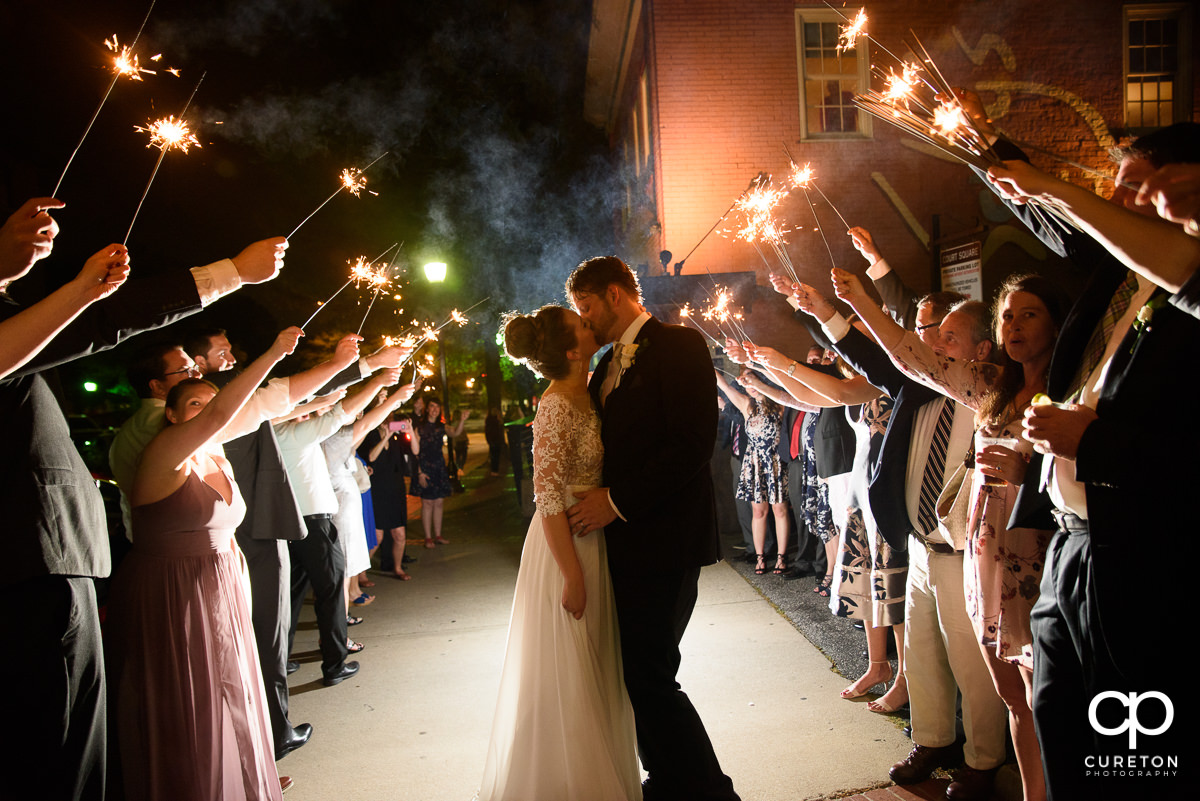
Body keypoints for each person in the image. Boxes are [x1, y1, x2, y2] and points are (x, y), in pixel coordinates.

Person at [0, 195, 286, 801]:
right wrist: (227, 274)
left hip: (52, 562)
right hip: (27, 566)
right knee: (58, 757)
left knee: (77, 751)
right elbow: (95, 326)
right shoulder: (158, 442)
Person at [835, 267, 1067, 801]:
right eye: (1008, 314)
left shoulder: (1067, 392)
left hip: (1031, 554)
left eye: (1028, 313)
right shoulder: (991, 388)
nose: (1015, 324)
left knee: (1042, 693)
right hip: (983, 556)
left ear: (1058, 322)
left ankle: (1003, 771)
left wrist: (1028, 472)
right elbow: (910, 356)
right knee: (1013, 695)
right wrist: (858, 302)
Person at [565, 256, 739, 801]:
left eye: (587, 307)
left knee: (651, 673)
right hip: (621, 546)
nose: (585, 321)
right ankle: (668, 779)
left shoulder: (680, 345)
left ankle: (710, 791)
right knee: (636, 673)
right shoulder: (605, 364)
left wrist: (615, 502)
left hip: (667, 540)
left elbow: (691, 443)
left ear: (616, 294)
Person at [107, 326, 302, 801]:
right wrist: (275, 351)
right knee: (187, 697)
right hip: (173, 588)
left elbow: (273, 408)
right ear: (170, 414)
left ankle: (241, 777)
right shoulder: (165, 452)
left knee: (231, 687)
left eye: (208, 400)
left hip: (221, 586)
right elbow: (222, 412)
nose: (208, 412)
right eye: (193, 404)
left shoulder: (212, 455)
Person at [477, 305, 639, 800]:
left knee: (595, 672)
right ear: (572, 350)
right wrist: (571, 575)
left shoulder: (588, 393)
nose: (592, 325)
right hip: (565, 548)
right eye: (583, 325)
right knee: (567, 677)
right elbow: (546, 498)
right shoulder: (554, 407)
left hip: (595, 539)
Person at [714, 369, 790, 575]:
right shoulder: (748, 406)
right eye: (746, 384)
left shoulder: (779, 404)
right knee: (758, 511)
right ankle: (760, 557)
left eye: (751, 382)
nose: (749, 387)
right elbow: (726, 389)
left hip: (774, 463)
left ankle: (781, 558)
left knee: (779, 510)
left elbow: (784, 385)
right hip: (754, 464)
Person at [411, 396, 469, 548]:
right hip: (424, 468)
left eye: (437, 407)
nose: (435, 409)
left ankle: (438, 535)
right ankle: (428, 537)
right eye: (432, 406)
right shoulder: (420, 428)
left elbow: (456, 433)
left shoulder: (442, 426)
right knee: (427, 502)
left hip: (438, 467)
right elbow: (414, 453)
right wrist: (419, 473)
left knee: (439, 502)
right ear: (427, 409)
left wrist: (462, 420)